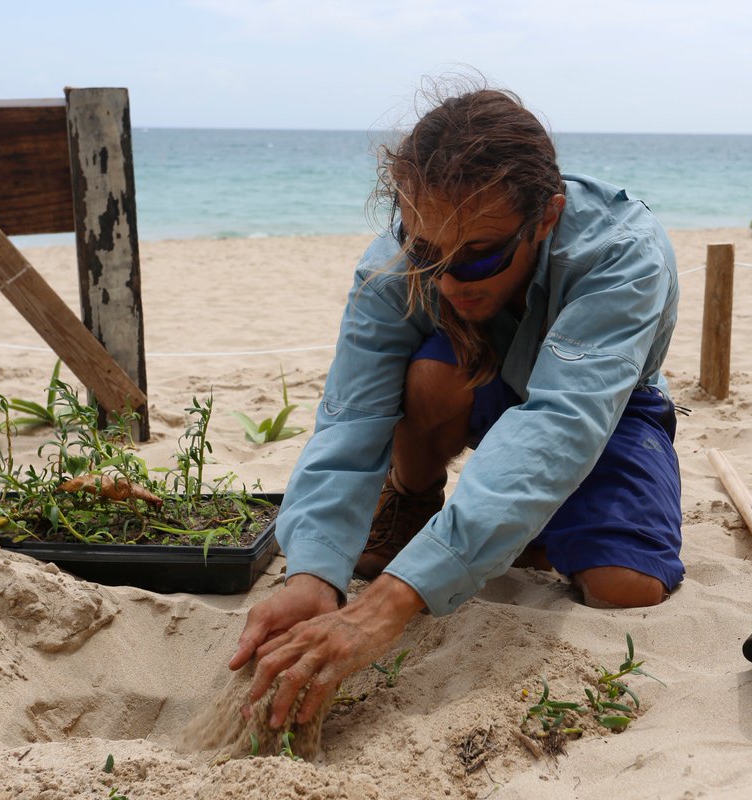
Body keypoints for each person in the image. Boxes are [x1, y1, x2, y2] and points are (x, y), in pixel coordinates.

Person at [229, 84, 683, 730]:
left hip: (602, 406)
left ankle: (516, 531)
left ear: (546, 217)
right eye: (425, 252)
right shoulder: (394, 267)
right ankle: (414, 506)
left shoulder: (623, 256)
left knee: (623, 585)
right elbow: (349, 421)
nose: (446, 281)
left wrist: (386, 606)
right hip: (476, 385)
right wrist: (312, 575)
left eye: (480, 256)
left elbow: (560, 423)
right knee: (430, 376)